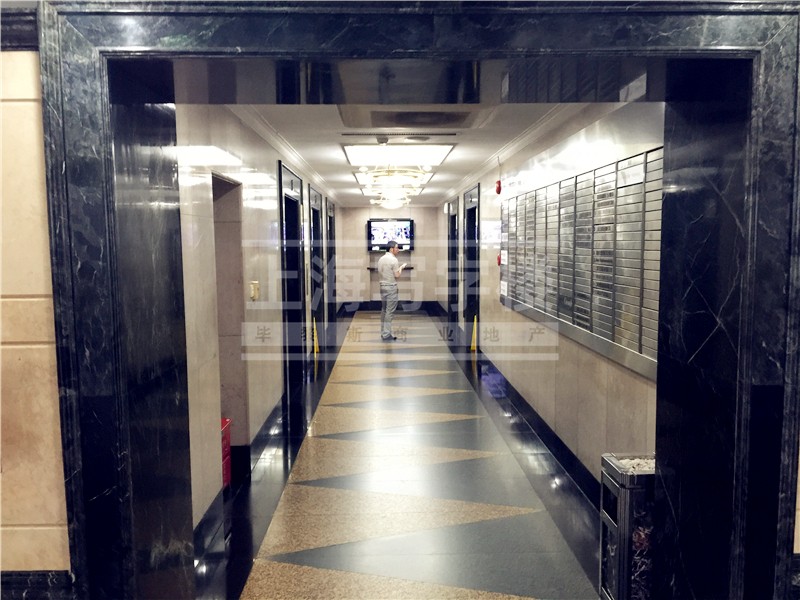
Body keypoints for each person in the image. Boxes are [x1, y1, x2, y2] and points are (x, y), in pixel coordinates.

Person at [377, 240, 406, 341]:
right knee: (389, 312)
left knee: (384, 310)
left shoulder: (381, 259)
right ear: (391, 249)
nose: (398, 250)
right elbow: (397, 275)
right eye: (397, 248)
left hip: (382, 287)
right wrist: (401, 268)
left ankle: (383, 332)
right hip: (391, 288)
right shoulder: (394, 260)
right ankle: (386, 334)